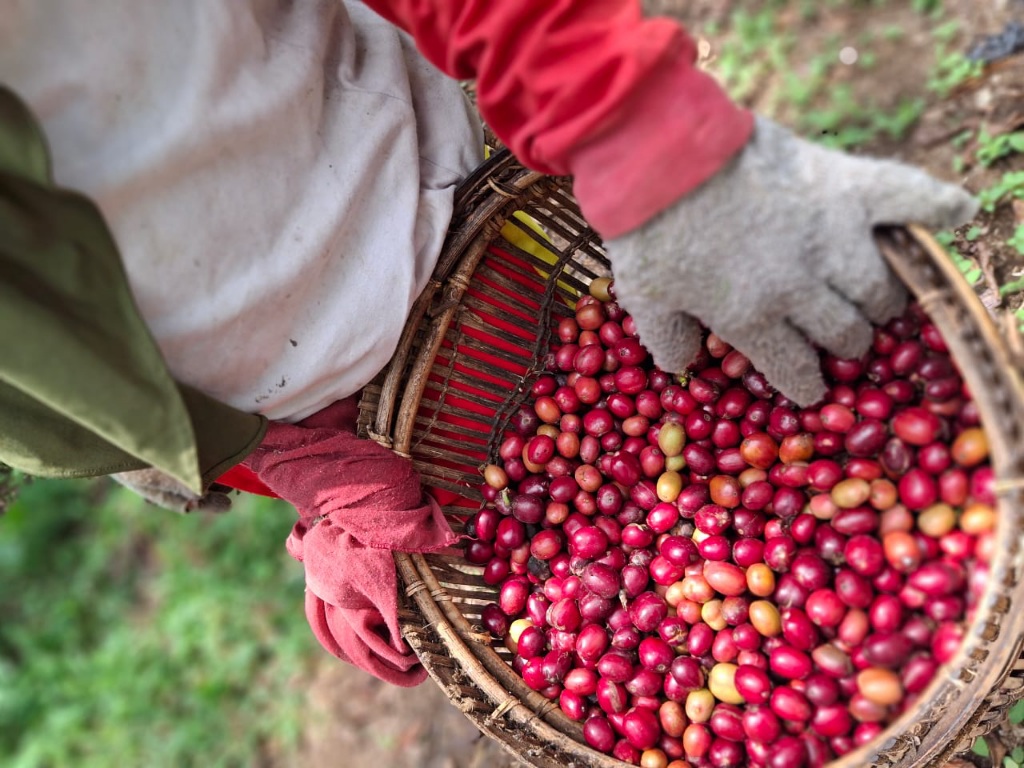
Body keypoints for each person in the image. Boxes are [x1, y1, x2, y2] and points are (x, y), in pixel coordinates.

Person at [0, 0, 977, 685]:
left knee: (633, 384)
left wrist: (622, 124)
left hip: (431, 165)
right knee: (546, 490)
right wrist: (236, 448)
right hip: (259, 393)